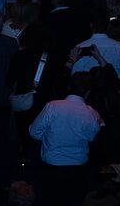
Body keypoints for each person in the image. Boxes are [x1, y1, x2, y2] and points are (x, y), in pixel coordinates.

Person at [28, 72, 103, 206]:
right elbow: (92, 138)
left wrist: (48, 136)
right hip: (78, 167)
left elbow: (34, 132)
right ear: (88, 91)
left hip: (52, 166)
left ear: (69, 86)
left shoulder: (53, 106)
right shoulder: (92, 113)